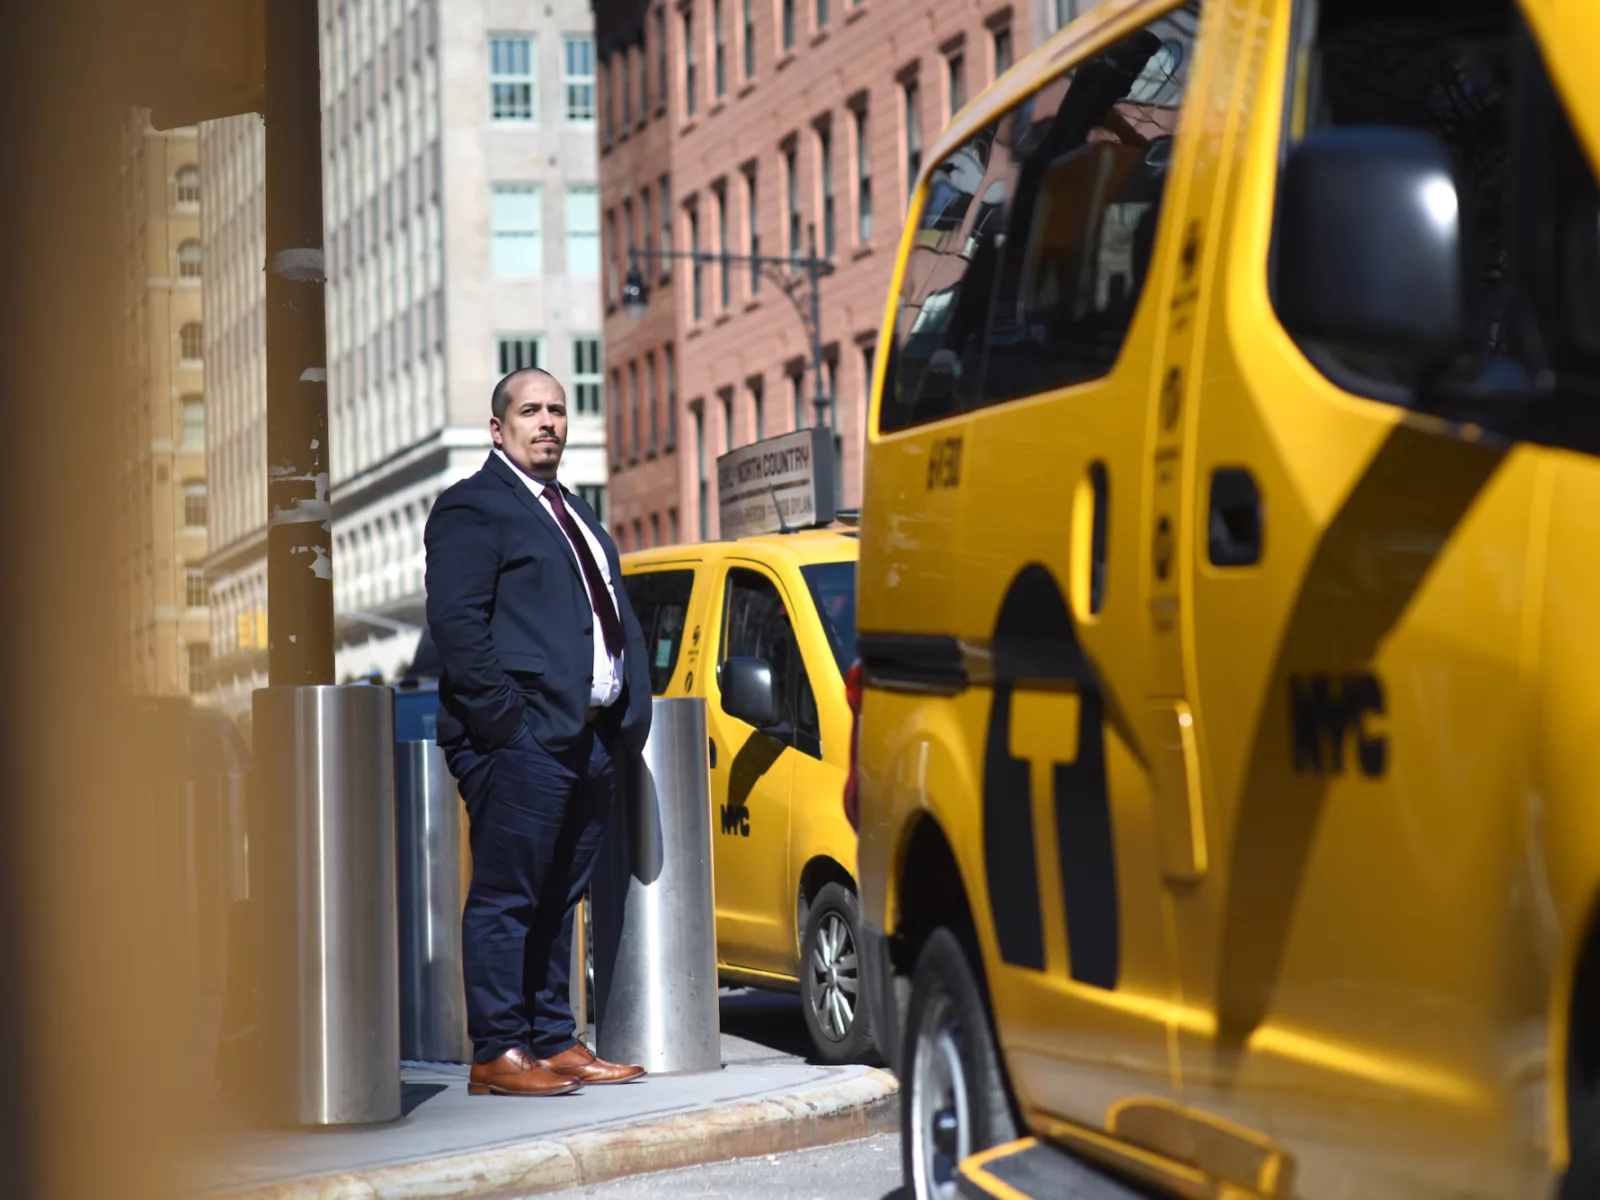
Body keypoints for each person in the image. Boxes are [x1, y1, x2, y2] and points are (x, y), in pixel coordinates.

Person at [425, 367, 653, 1096]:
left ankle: (552, 1038)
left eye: (557, 410)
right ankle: (497, 1050)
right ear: (500, 428)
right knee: (509, 896)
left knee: (561, 896)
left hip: (587, 736)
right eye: (530, 410)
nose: (547, 421)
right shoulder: (473, 509)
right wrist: (506, 725)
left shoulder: (576, 512)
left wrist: (622, 718)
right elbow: (458, 627)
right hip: (522, 738)